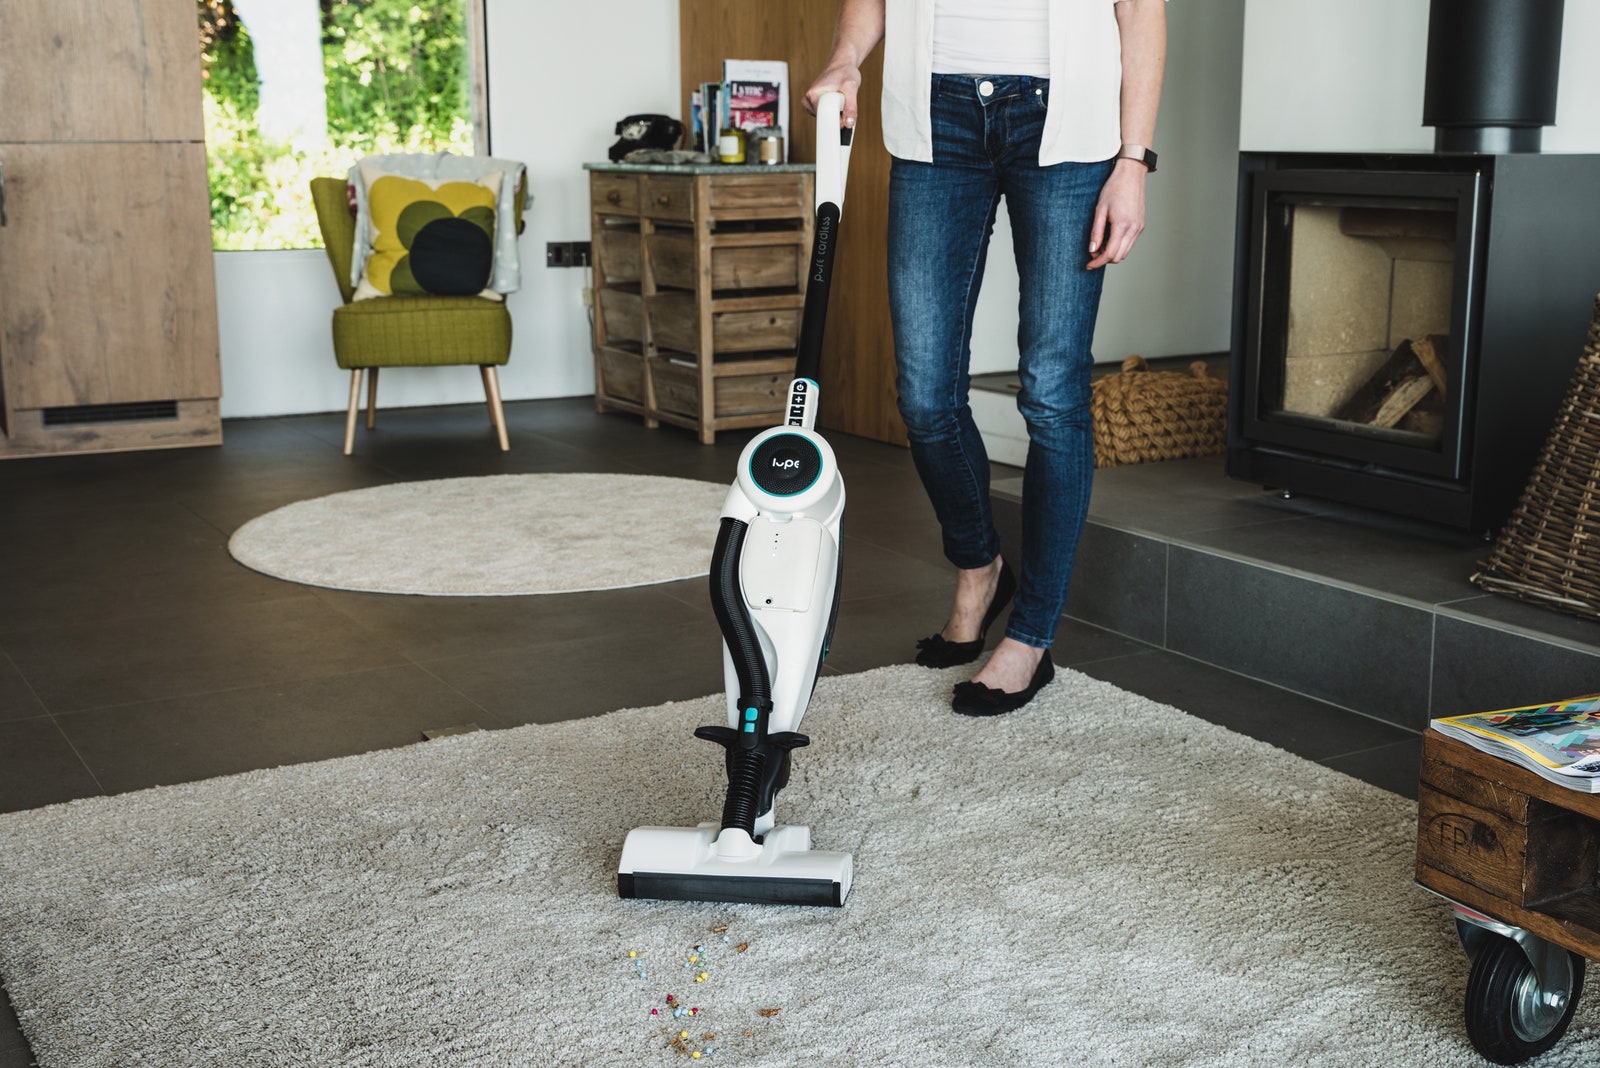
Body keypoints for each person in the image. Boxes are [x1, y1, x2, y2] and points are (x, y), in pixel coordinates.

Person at [804, 0, 1166, 715]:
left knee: (1053, 394)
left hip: (1067, 120)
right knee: (925, 395)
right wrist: (846, 58)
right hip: (934, 116)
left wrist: (1134, 160)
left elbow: (1141, 11)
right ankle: (979, 564)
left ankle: (1030, 634)